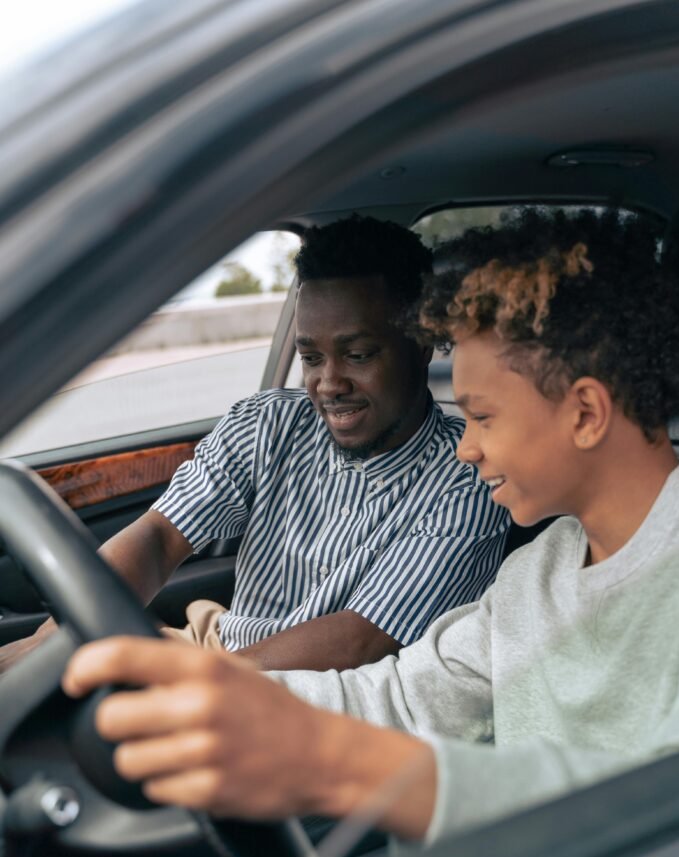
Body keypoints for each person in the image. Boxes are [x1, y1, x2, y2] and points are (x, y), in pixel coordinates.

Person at [63, 207, 679, 857]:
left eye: (482, 416)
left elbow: (648, 813)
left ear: (584, 412)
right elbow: (400, 693)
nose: (467, 448)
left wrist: (338, 759)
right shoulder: (540, 568)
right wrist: (213, 689)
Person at [0, 215, 507, 674]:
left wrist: (191, 683)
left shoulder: (469, 475)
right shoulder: (266, 423)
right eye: (310, 358)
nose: (328, 383)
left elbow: (359, 642)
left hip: (316, 702)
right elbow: (157, 540)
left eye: (357, 355)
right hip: (213, 651)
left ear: (419, 346)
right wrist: (57, 640)